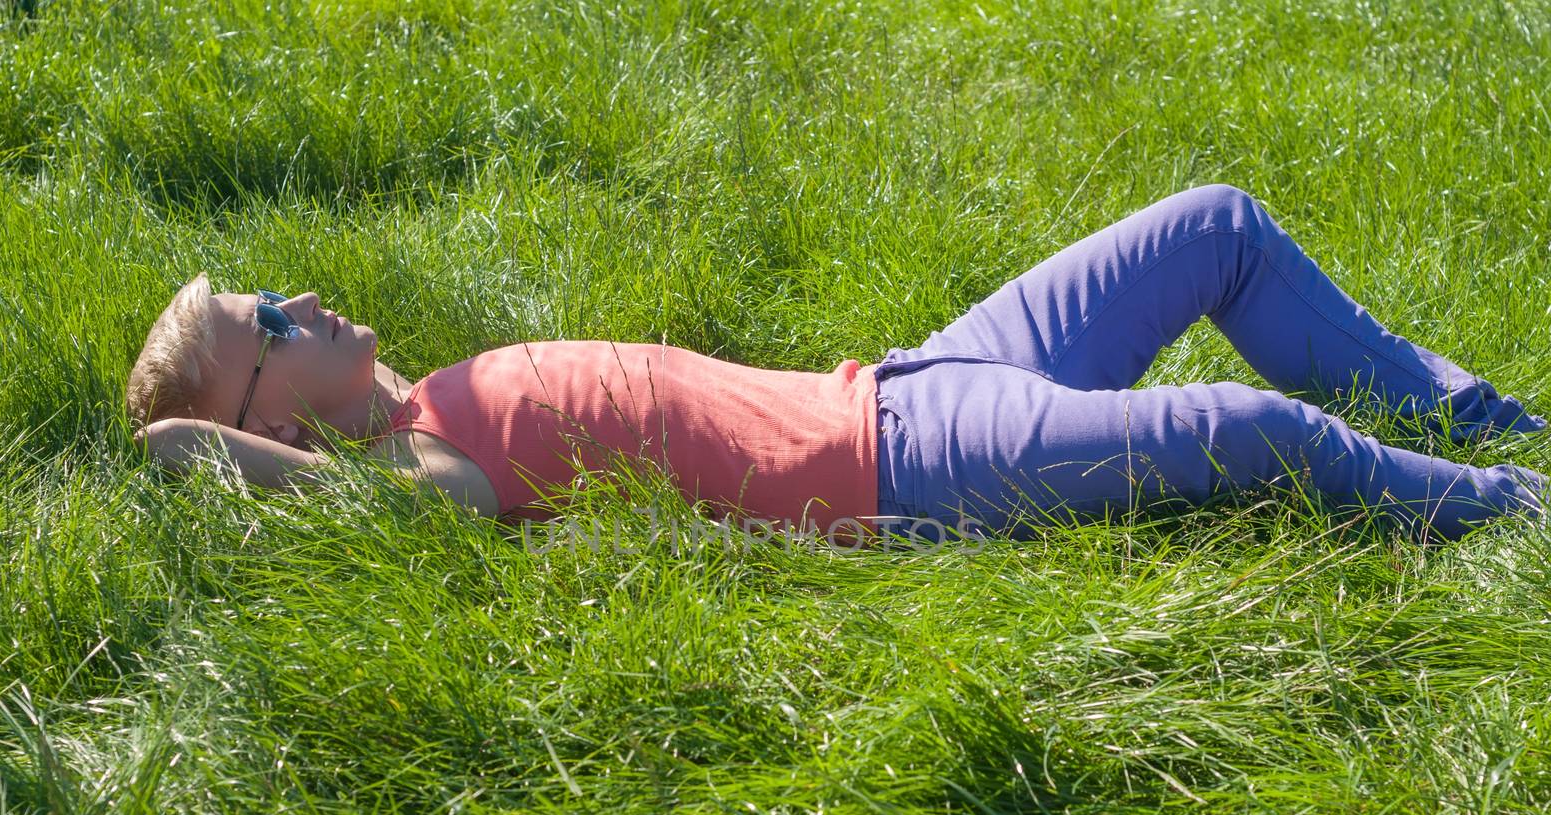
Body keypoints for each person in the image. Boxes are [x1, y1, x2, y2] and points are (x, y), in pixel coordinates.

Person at [129, 183, 1549, 547]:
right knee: (1252, 428)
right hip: (909, 466)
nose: (297, 298)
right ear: (273, 428)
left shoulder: (427, 398)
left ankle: (1493, 421)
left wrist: (247, 382)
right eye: (266, 323)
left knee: (1218, 229)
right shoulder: (413, 467)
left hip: (917, 377)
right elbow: (189, 455)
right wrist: (200, 442)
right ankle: (1505, 506)